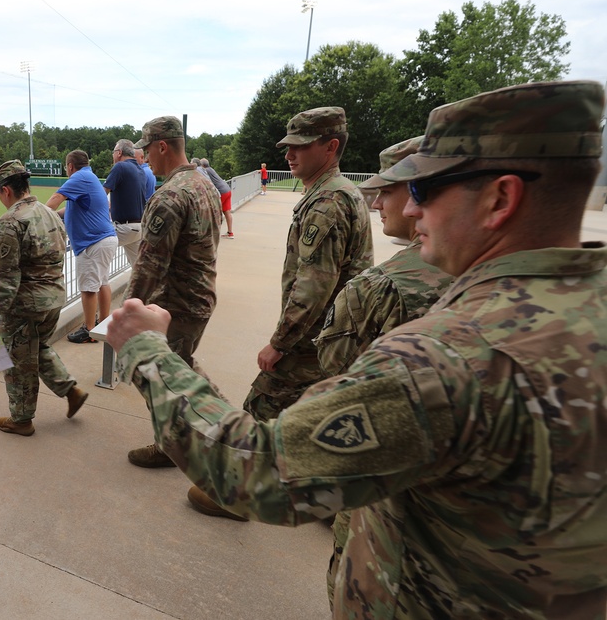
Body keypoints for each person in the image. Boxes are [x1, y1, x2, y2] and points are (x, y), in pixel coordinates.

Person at [107, 79, 607, 618]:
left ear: (500, 198)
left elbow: (256, 472)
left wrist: (147, 350)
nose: (411, 214)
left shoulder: (446, 358)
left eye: (425, 190)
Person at [312, 136, 453, 575]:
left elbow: (338, 370)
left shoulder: (384, 286)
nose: (377, 204)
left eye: (387, 191)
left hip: (390, 509)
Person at [246, 107, 372, 422]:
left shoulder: (327, 203)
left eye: (301, 145)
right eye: (289, 146)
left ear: (331, 147)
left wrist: (280, 343)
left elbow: (314, 285)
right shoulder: (342, 191)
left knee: (254, 422)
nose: (289, 154)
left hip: (310, 344)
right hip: (330, 339)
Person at [125, 116, 221, 468]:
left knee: (161, 375)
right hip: (198, 298)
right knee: (182, 366)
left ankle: (205, 440)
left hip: (176, 305)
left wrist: (127, 313)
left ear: (162, 146)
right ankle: (180, 438)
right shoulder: (203, 181)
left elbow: (149, 265)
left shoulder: (170, 196)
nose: (146, 157)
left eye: (148, 149)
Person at [0, 160, 89, 436]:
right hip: (53, 298)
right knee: (37, 349)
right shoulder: (49, 213)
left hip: (25, 305)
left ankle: (21, 419)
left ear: (5, 190)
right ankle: (70, 390)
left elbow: (5, 281)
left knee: (18, 362)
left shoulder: (10, 222)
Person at [46, 149, 118, 344]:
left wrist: (38, 215)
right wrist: (56, 216)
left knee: (88, 289)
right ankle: (102, 325)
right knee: (102, 282)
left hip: (93, 242)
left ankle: (89, 331)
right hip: (104, 240)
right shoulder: (89, 177)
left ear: (70, 166)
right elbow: (68, 208)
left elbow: (54, 200)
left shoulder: (79, 177)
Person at [103, 138, 147, 266]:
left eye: (113, 151)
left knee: (96, 244)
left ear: (119, 152)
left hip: (125, 227)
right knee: (138, 269)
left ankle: (98, 284)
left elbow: (101, 194)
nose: (113, 155)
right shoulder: (140, 170)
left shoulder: (120, 166)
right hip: (139, 228)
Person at [201, 158, 234, 239]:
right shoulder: (211, 169)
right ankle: (230, 233)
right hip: (227, 189)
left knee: (214, 212)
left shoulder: (205, 171)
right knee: (227, 212)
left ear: (202, 165)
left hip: (221, 192)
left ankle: (212, 234)